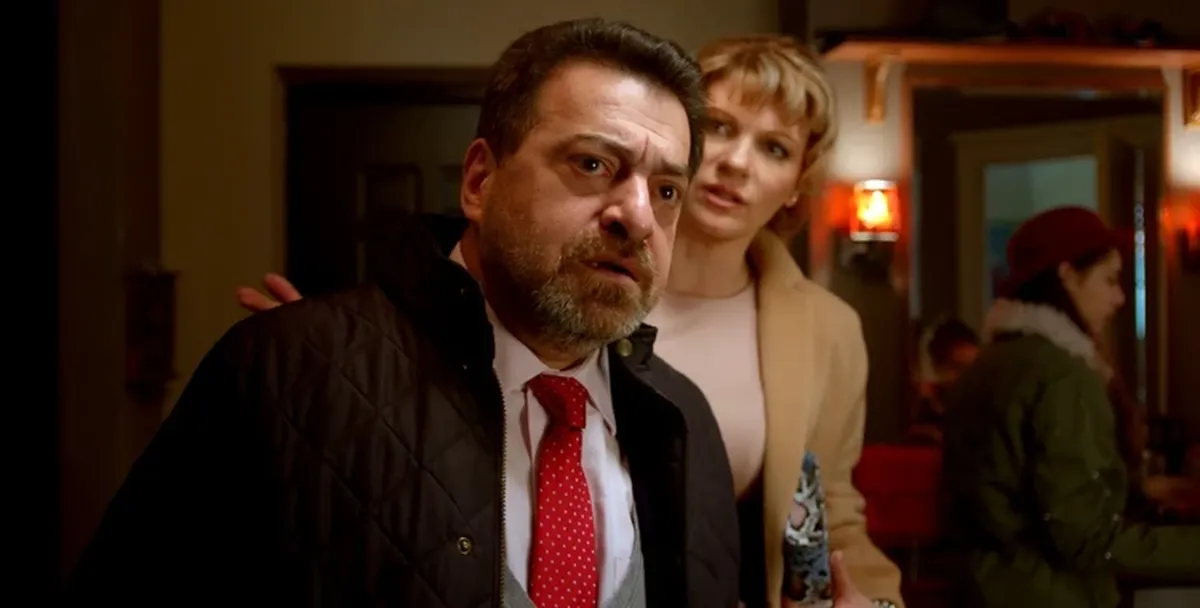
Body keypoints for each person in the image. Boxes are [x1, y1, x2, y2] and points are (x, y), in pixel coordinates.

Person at [65, 18, 742, 607]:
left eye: (666, 190)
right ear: (479, 181)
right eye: (592, 164)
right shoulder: (284, 372)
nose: (638, 216)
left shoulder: (685, 422)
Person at [239, 34, 902, 608]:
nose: (735, 162)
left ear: (797, 184)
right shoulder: (555, 285)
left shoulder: (823, 331)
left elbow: (829, 509)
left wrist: (872, 598)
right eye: (722, 128)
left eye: (775, 148)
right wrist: (345, 381)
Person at [941, 206, 1200, 608]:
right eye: (1109, 280)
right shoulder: (1062, 377)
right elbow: (1086, 538)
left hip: (982, 591)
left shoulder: (989, 363)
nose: (1119, 298)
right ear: (1067, 275)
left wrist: (1140, 491)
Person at [907, 317, 980, 443]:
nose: (970, 377)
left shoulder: (984, 415)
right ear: (937, 369)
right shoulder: (923, 424)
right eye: (959, 368)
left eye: (974, 369)